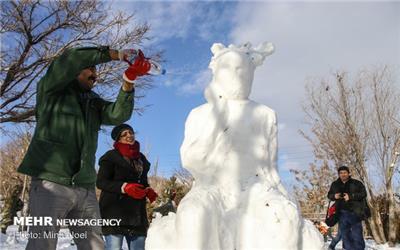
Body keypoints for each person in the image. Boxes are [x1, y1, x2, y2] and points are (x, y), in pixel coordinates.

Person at [17, 46, 151, 250]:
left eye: (95, 70)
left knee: (95, 246)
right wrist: (115, 54)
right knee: (41, 244)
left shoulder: (93, 103)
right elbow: (70, 59)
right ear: (75, 70)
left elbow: (117, 115)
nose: (95, 74)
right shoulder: (52, 90)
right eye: (90, 68)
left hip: (84, 186)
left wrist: (129, 80)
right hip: (50, 182)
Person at [96, 124, 158, 250]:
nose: (129, 135)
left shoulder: (141, 159)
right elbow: (101, 182)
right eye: (124, 134)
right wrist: (124, 187)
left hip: (137, 216)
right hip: (114, 213)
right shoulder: (111, 157)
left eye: (130, 132)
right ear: (118, 139)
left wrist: (147, 190)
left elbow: (142, 182)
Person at [327, 165, 370, 250]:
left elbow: (363, 194)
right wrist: (334, 196)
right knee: (345, 236)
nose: (343, 174)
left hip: (355, 213)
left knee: (357, 235)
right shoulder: (335, 184)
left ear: (349, 173)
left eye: (345, 173)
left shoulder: (356, 183)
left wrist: (351, 196)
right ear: (339, 174)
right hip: (341, 213)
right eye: (341, 173)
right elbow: (329, 195)